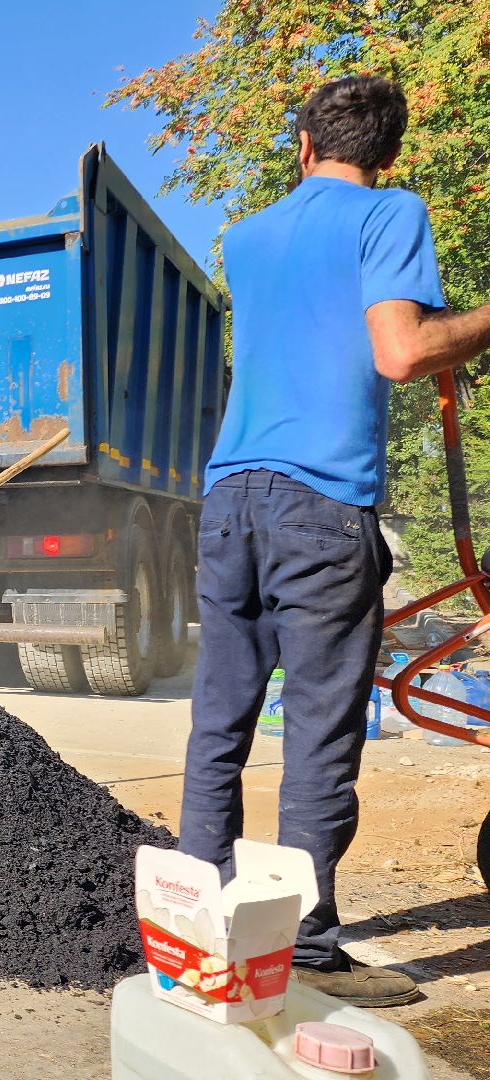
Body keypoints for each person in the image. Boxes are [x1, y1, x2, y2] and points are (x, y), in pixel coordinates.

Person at [182, 75, 490, 1007]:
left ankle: (204, 928)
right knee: (319, 732)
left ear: (305, 146)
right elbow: (399, 351)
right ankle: (304, 953)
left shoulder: (246, 236)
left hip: (230, 499)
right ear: (386, 156)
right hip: (323, 509)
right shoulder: (391, 211)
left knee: (220, 721)